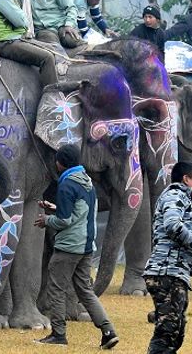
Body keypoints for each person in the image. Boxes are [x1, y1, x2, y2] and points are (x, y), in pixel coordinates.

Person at [34, 144, 119, 349]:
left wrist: (47, 220)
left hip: (69, 247)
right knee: (85, 291)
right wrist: (55, 208)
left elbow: (64, 221)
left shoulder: (66, 184)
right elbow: (79, 211)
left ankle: (58, 335)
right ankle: (108, 331)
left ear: (60, 163)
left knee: (56, 289)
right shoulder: (86, 181)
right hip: (86, 246)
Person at [143, 161, 192, 354]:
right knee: (167, 332)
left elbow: (179, 247)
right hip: (166, 274)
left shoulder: (181, 199)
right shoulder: (175, 196)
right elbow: (172, 226)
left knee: (176, 332)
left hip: (173, 273)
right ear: (186, 179)